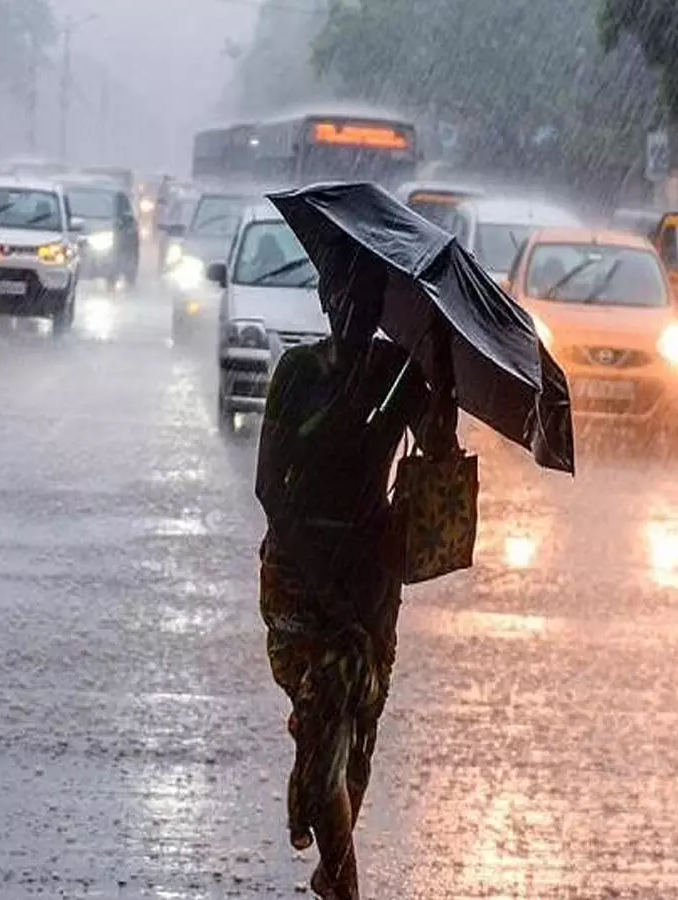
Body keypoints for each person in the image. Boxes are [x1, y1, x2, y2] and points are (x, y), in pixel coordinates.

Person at [256, 248, 459, 900]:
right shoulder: (296, 373)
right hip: (299, 578)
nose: (352, 310)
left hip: (371, 585)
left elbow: (438, 453)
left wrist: (443, 375)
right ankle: (347, 888)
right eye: (341, 295)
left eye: (367, 299)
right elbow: (269, 487)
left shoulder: (395, 375)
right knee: (323, 734)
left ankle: (331, 866)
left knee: (357, 739)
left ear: (380, 311)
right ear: (322, 297)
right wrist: (321, 584)